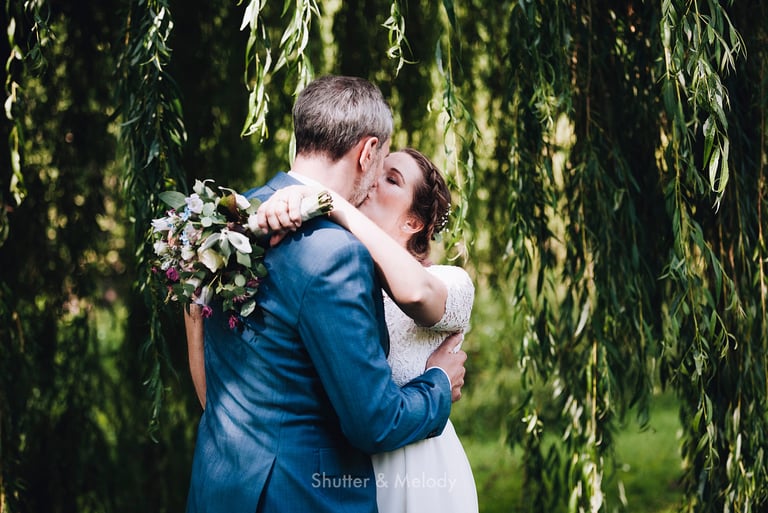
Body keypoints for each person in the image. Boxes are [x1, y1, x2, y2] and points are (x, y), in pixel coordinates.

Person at [183, 75, 467, 513]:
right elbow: (373, 422)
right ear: (367, 152)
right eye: (381, 167)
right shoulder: (335, 252)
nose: (374, 183)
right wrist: (439, 385)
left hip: (220, 488)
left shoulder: (230, 222)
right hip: (302, 495)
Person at [257, 148, 479, 513]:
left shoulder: (449, 282)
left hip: (419, 473)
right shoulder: (335, 277)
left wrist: (335, 206)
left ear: (413, 223)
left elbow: (416, 293)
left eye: (392, 180)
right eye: (378, 168)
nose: (374, 178)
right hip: (343, 471)